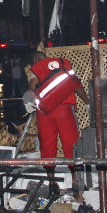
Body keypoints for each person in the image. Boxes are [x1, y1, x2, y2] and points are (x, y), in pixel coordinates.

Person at [24, 50, 90, 195]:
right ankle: (75, 181)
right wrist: (87, 102)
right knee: (71, 143)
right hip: (65, 108)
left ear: (35, 60)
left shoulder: (37, 68)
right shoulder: (63, 63)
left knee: (48, 145)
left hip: (45, 111)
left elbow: (32, 87)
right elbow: (76, 84)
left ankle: (52, 183)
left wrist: (28, 102)